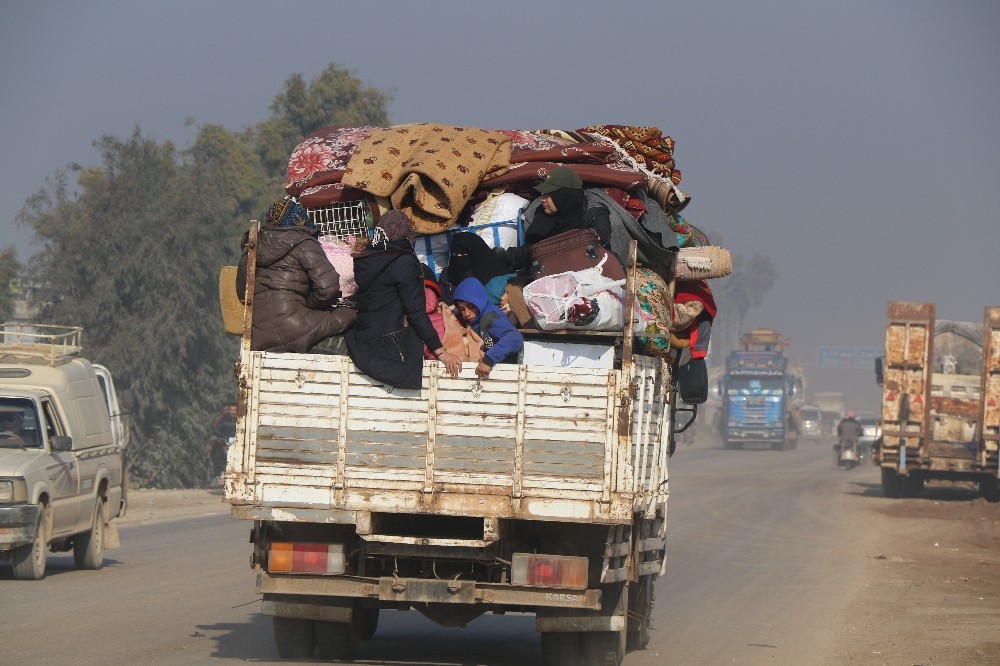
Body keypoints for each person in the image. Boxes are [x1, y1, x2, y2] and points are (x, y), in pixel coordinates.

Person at [346, 211, 462, 389]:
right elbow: (416, 313)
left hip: (364, 341)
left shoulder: (365, 259)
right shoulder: (403, 262)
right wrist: (441, 352)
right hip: (391, 346)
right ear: (406, 234)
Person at [237, 197, 356, 352]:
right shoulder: (304, 242)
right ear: (299, 218)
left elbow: (243, 294)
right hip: (297, 328)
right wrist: (308, 306)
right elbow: (329, 288)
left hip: (259, 336)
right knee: (352, 314)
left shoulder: (251, 248)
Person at [497, 167, 613, 272]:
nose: (542, 199)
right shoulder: (544, 215)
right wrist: (504, 257)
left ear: (563, 196)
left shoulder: (593, 212)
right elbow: (531, 249)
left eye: (548, 195)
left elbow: (601, 234)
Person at [452, 277, 524, 379]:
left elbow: (515, 338)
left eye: (471, 306)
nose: (467, 314)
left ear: (479, 301)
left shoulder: (491, 318)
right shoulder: (471, 318)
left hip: (503, 377)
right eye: (462, 309)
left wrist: (489, 360)